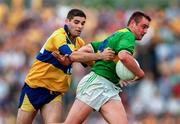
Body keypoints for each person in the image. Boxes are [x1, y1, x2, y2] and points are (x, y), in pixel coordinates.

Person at [16, 8, 115, 124]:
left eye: (83, 23)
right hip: (34, 88)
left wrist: (113, 75)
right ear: (67, 21)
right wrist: (100, 55)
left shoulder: (80, 43)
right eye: (76, 22)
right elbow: (73, 55)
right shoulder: (59, 36)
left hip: (54, 94)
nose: (80, 26)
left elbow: (91, 64)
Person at [61, 11, 151, 124]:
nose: (146, 31)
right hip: (96, 84)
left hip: (110, 87)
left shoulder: (117, 35)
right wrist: (140, 73)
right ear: (133, 23)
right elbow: (124, 56)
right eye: (143, 27)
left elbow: (89, 48)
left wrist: (72, 57)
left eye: (147, 28)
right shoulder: (128, 36)